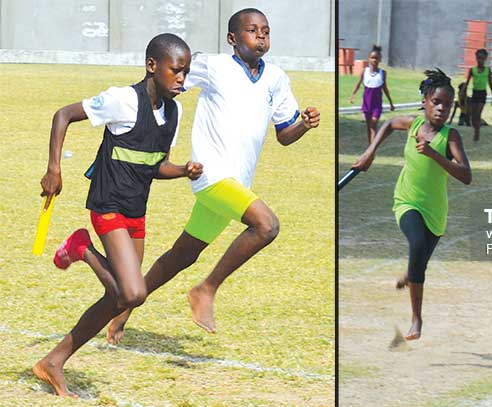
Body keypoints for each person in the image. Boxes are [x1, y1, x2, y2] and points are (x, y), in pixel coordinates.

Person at [105, 8, 321, 342]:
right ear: (233, 39)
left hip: (237, 184)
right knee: (267, 225)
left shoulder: (277, 79)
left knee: (183, 254)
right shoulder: (213, 66)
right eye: (252, 30)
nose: (261, 35)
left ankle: (122, 310)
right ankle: (206, 289)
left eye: (266, 30)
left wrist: (303, 126)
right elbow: (167, 78)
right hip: (211, 175)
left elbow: (284, 134)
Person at [33, 33, 200, 398]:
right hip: (107, 206)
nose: (182, 81)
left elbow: (155, 166)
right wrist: (54, 169)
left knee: (121, 298)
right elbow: (63, 115)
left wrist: (184, 170)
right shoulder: (122, 100)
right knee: (134, 291)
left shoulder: (174, 111)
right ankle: (82, 248)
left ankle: (53, 362)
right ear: (152, 66)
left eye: (186, 73)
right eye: (176, 71)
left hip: (136, 212)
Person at [352, 68, 471, 341]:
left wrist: (433, 154)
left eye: (447, 105)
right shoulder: (414, 125)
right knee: (417, 246)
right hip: (406, 201)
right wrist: (370, 151)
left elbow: (466, 175)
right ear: (425, 102)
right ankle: (417, 319)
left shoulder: (450, 137)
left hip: (436, 211)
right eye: (436, 102)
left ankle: (410, 272)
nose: (442, 109)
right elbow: (390, 123)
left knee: (419, 262)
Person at [349, 45, 395, 143]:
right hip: (367, 103)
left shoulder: (382, 73)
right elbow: (358, 84)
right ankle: (370, 144)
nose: (374, 60)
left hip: (377, 104)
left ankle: (372, 148)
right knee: (369, 125)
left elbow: (385, 88)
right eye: (372, 58)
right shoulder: (364, 72)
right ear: (368, 59)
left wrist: (391, 103)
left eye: (376, 58)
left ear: (380, 60)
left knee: (373, 123)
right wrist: (353, 95)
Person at [463, 48, 492, 142]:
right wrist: (463, 92)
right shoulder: (472, 70)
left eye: (482, 58)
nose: (480, 60)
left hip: (482, 94)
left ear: (485, 59)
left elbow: (490, 82)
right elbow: (467, 82)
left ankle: (477, 132)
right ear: (476, 58)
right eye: (478, 58)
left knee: (478, 113)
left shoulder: (487, 71)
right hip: (475, 93)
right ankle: (476, 128)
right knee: (473, 115)